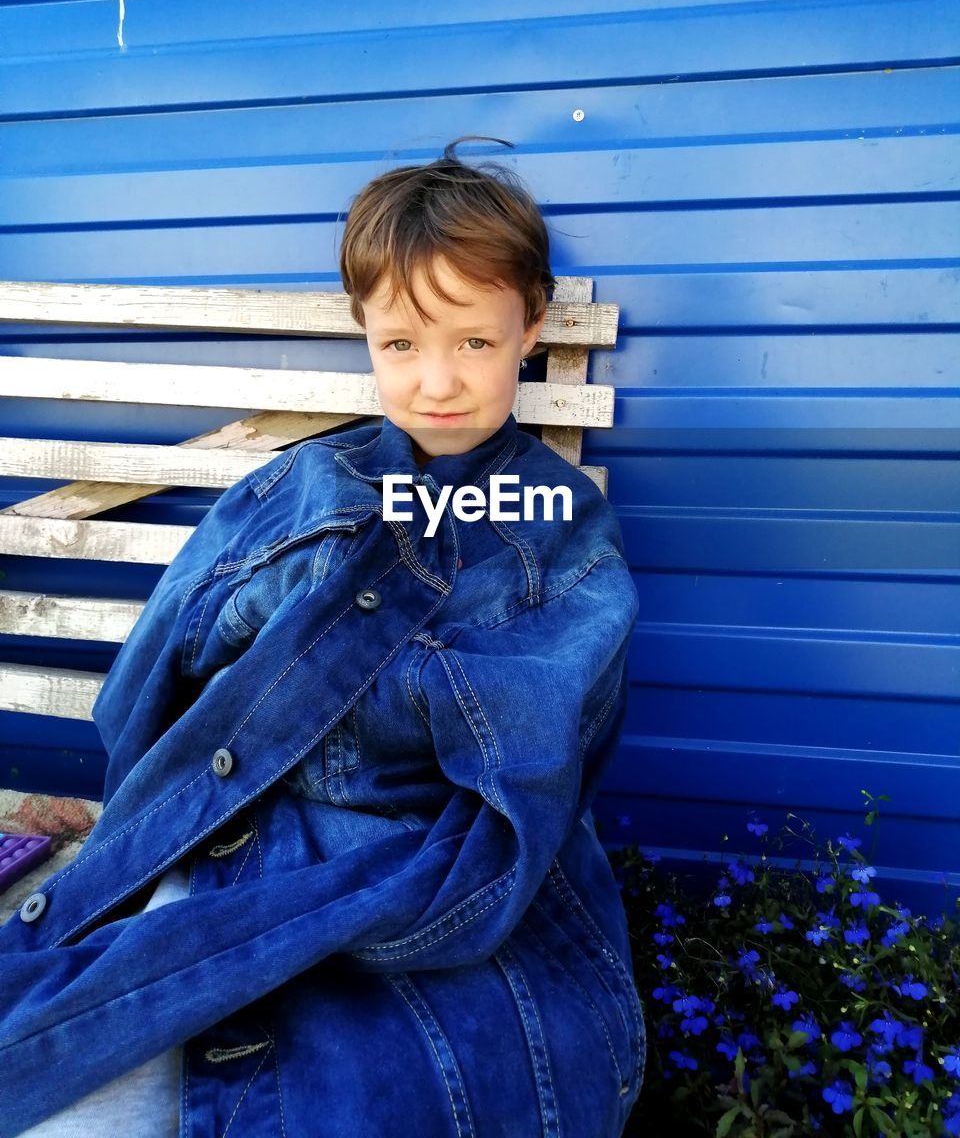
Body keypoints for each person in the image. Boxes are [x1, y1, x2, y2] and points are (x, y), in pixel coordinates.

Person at [0, 136, 645, 1137]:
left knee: (379, 1084)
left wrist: (327, 661)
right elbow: (151, 682)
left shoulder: (561, 525)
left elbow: (532, 762)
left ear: (533, 328)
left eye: (473, 341)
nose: (437, 380)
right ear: (365, 335)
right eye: (402, 345)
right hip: (235, 843)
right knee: (65, 1085)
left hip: (409, 877)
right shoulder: (304, 484)